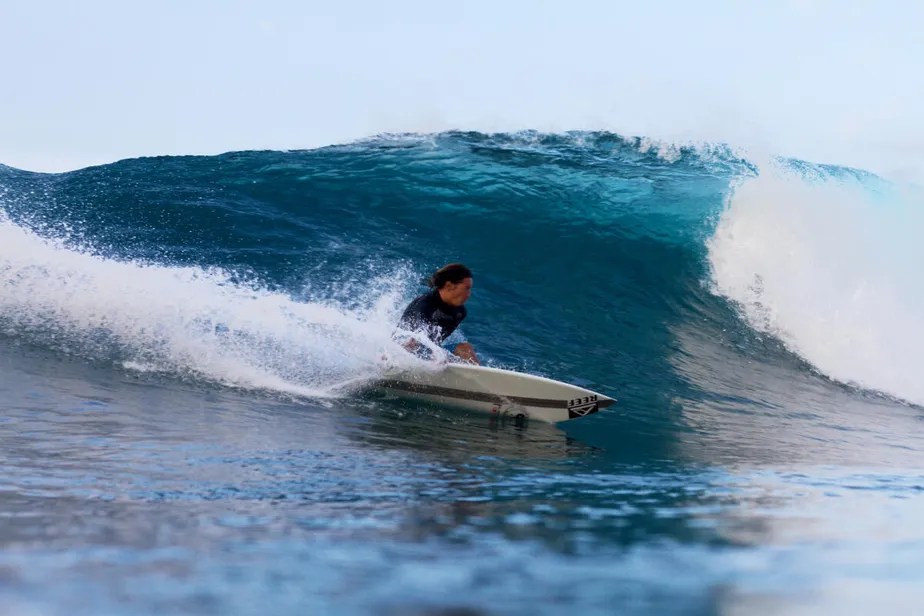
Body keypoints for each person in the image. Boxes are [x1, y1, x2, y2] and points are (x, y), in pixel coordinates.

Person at [395, 263, 479, 364]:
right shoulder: (424, 304)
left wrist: (441, 355)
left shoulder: (460, 313)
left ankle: (479, 377)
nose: (469, 294)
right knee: (412, 342)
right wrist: (436, 354)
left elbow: (438, 340)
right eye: (466, 288)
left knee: (465, 348)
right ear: (449, 286)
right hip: (403, 350)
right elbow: (414, 336)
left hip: (430, 352)